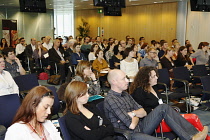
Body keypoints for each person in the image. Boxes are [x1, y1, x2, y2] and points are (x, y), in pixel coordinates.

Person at [104, 69, 208, 140]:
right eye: (123, 79)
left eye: (126, 77)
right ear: (114, 81)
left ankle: (194, 136)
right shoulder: (111, 99)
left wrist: (132, 114)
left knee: (163, 107)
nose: (127, 81)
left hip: (141, 126)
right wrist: (136, 114)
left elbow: (143, 112)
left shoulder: (125, 94)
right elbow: (131, 125)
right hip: (129, 134)